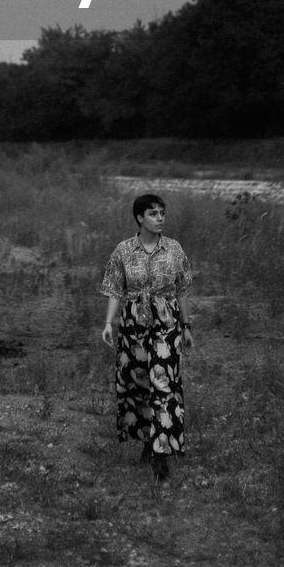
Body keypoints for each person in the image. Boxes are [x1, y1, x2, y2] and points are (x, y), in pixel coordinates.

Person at [100, 192, 193, 482]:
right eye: (153, 213)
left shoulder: (175, 250)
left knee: (163, 384)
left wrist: (187, 325)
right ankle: (147, 442)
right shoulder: (123, 251)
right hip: (133, 326)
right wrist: (108, 322)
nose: (160, 218)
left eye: (162, 213)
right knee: (139, 385)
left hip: (166, 323)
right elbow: (115, 288)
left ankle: (162, 454)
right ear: (140, 218)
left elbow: (182, 290)